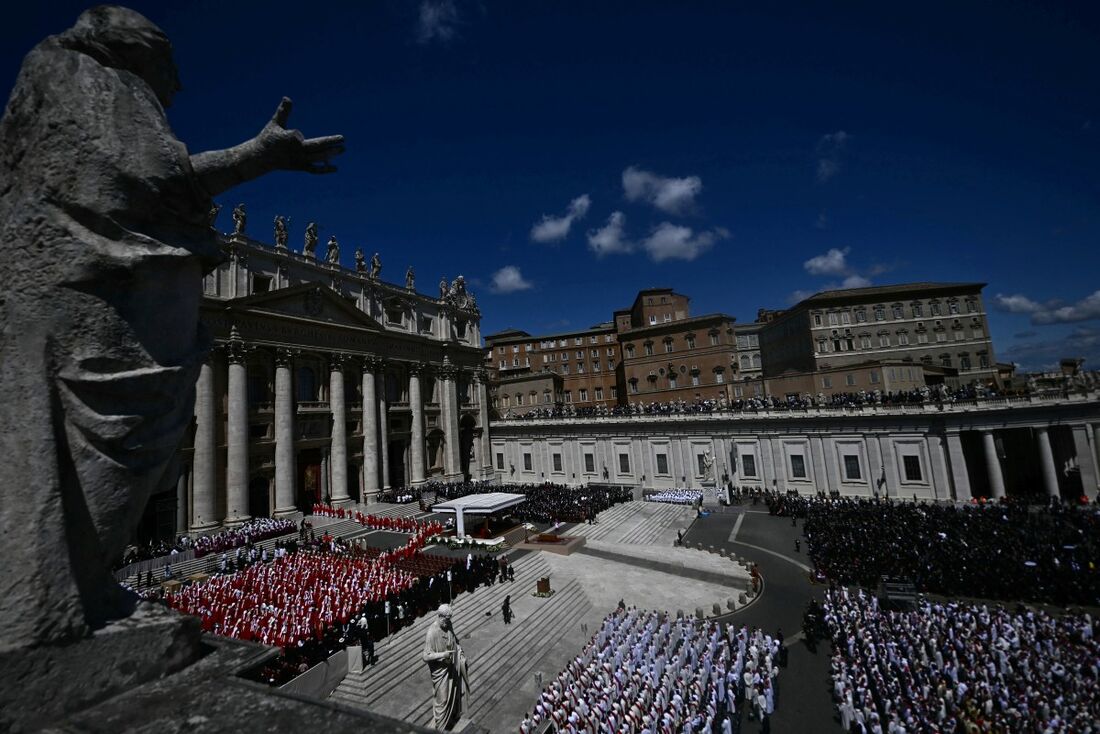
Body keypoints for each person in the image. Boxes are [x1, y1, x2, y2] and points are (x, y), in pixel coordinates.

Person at [421, 604, 469, 731]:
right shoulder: (432, 632)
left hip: (451, 667)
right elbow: (425, 656)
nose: (448, 623)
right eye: (446, 620)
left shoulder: (448, 625)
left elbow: (455, 641)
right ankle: (440, 728)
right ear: (440, 616)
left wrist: (460, 653)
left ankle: (451, 719)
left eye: (449, 620)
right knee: (442, 700)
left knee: (454, 693)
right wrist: (443, 654)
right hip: (440, 672)